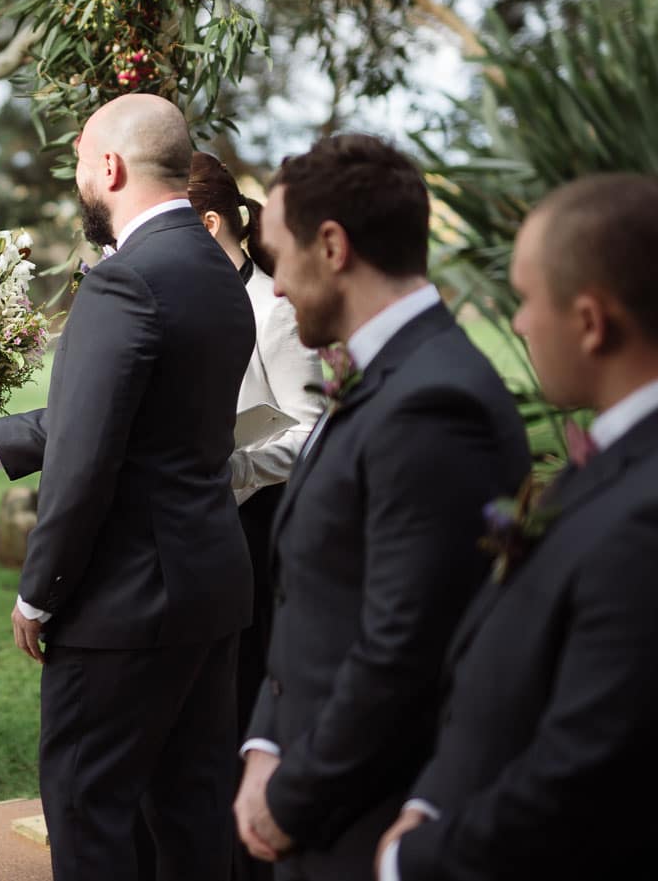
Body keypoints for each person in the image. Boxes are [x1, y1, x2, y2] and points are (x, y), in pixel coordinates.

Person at [0, 94, 258, 881]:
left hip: (125, 602)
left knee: (87, 807)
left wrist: (39, 592)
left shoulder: (127, 281)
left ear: (108, 166)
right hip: (209, 584)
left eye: (80, 157)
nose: (80, 174)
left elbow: (86, 459)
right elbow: (127, 418)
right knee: (191, 809)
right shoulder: (218, 270)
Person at [376, 174, 658, 881]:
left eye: (527, 299)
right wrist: (435, 795)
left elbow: (594, 776)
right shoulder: (625, 452)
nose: (518, 324)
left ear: (592, 321)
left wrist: (414, 857)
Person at [232, 135, 528, 881]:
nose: (274, 288)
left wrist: (293, 795)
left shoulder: (435, 398)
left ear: (331, 245)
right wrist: (265, 744)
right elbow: (310, 596)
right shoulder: (386, 374)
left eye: (278, 258)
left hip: (368, 816)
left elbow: (407, 642)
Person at [191, 151, 326, 881]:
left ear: (211, 222)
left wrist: (237, 466)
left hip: (262, 528)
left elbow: (315, 431)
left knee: (249, 703)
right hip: (212, 524)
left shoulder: (272, 309)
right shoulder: (197, 299)